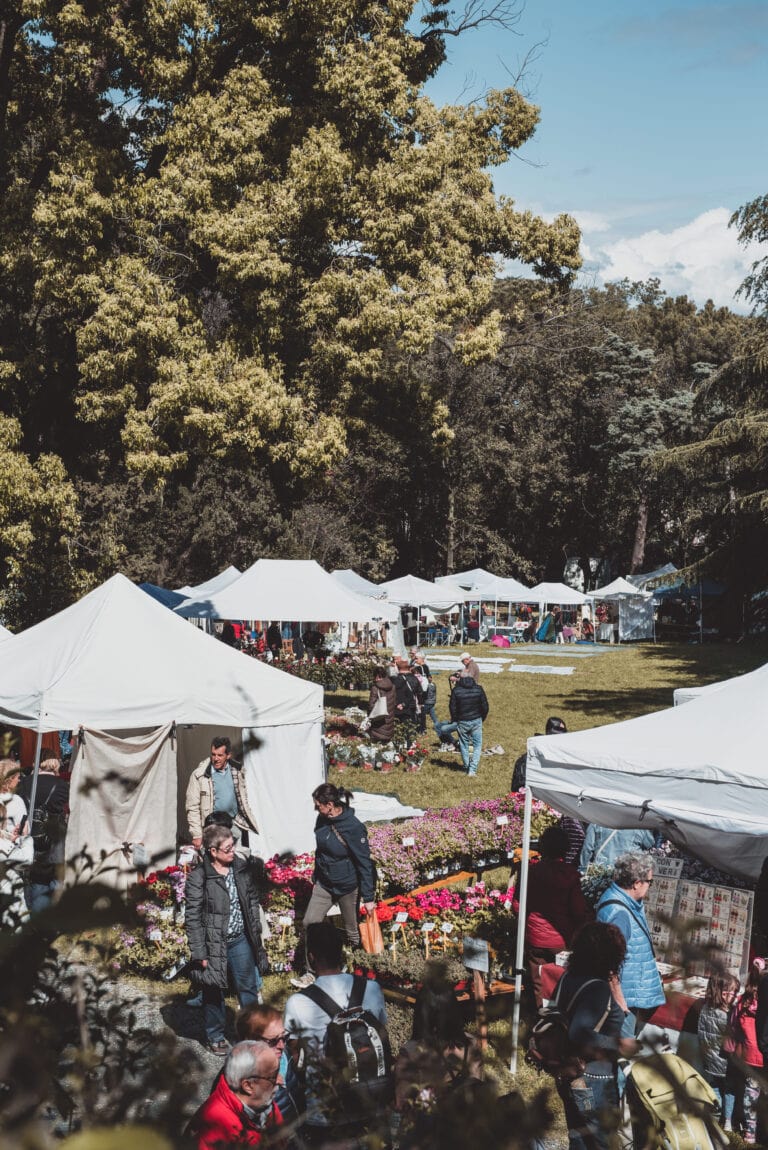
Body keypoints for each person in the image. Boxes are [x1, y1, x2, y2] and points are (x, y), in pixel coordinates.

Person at [284, 922, 388, 1143]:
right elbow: (381, 1032)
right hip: (371, 1099)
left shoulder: (298, 1002)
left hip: (326, 1111)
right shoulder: (371, 989)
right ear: (341, 953)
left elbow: (295, 1056)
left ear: (311, 957)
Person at [185, 823, 266, 1056]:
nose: (233, 852)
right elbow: (192, 917)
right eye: (228, 849)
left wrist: (255, 932)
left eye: (234, 846)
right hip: (213, 943)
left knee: (248, 987)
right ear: (213, 851)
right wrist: (199, 952)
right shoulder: (200, 877)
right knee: (213, 991)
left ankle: (252, 1032)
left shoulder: (240, 869)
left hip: (240, 939)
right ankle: (215, 1035)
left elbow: (251, 900)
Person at [555, 921, 637, 1150]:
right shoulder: (597, 988)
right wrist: (619, 1044)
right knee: (604, 1142)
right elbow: (578, 1032)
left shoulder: (567, 978)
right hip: (593, 1082)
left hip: (569, 1074)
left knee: (580, 1138)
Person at [511, 826, 592, 1007]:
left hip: (535, 938)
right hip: (562, 938)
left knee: (538, 981)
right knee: (561, 980)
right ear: (565, 848)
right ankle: (559, 1016)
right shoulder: (570, 875)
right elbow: (578, 911)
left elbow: (517, 905)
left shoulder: (531, 872)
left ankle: (541, 1016)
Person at [301, 784, 376, 955]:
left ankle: (358, 964)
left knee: (352, 930)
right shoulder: (321, 819)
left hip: (347, 886)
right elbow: (320, 850)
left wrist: (368, 897)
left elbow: (364, 862)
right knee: (309, 923)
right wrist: (316, 876)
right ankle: (313, 970)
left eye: (318, 805)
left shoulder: (353, 827)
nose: (315, 808)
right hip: (324, 884)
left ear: (329, 806)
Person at [595, 853, 665, 1031]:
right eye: (650, 881)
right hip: (624, 998)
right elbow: (609, 963)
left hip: (629, 990)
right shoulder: (620, 913)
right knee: (622, 1049)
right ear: (636, 883)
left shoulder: (622, 900)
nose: (650, 886)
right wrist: (621, 1003)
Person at [188, 1040, 283, 1148]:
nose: (280, 1080)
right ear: (248, 1086)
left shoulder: (262, 1100)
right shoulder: (214, 1128)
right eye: (273, 1077)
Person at [185, 736, 259, 852]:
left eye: (220, 755)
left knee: (238, 859)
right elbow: (192, 807)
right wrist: (196, 834)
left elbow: (243, 799)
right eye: (213, 754)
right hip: (212, 827)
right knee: (213, 863)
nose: (216, 758)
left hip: (234, 824)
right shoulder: (200, 775)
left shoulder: (237, 770)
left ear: (228, 755)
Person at [17, 752, 70, 914]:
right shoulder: (62, 785)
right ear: (55, 763)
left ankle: (36, 919)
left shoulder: (25, 783)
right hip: (55, 838)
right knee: (56, 877)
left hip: (30, 834)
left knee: (35, 878)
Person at [236, 1003, 304, 1126]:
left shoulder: (283, 1054)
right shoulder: (238, 1081)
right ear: (248, 1040)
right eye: (273, 1041)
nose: (282, 1046)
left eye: (284, 1037)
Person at [728, 958, 765, 1143]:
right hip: (763, 1057)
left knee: (750, 1096)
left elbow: (734, 1026)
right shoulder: (763, 1004)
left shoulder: (743, 1001)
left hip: (748, 1057)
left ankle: (750, 1133)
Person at [698, 971, 740, 1130]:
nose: (736, 996)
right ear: (723, 994)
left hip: (710, 1060)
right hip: (724, 1061)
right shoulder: (726, 1016)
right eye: (734, 992)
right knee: (730, 1089)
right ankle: (727, 1121)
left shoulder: (705, 1009)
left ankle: (712, 1117)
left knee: (714, 1085)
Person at [448, 672, 489, 778]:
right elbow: (485, 706)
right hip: (476, 720)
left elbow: (452, 707)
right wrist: (482, 717)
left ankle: (467, 766)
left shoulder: (456, 691)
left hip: (462, 721)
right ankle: (473, 769)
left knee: (464, 744)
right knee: (477, 745)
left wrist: (455, 719)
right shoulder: (478, 689)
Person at [579, 824, 657, 873]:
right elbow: (650, 843)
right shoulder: (638, 825)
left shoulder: (598, 820)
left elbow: (587, 848)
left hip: (599, 870)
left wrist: (583, 869)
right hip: (625, 872)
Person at [391, 657, 424, 739]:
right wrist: (420, 703)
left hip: (397, 706)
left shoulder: (395, 680)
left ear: (398, 668)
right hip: (411, 705)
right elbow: (420, 692)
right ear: (409, 668)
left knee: (397, 727)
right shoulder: (414, 678)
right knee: (409, 727)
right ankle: (409, 744)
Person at [366, 666, 396, 744]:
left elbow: (371, 706)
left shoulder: (375, 688)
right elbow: (394, 702)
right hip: (389, 721)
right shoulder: (393, 687)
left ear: (376, 676)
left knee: (376, 746)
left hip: (378, 722)